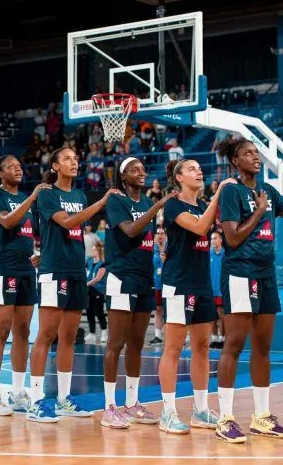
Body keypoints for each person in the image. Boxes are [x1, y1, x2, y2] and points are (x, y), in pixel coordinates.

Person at [214, 138, 283, 444]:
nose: (255, 157)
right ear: (235, 161)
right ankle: (225, 419)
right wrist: (258, 212)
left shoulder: (268, 191)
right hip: (240, 273)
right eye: (247, 153)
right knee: (233, 345)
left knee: (262, 348)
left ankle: (261, 417)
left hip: (266, 274)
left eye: (256, 153)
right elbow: (232, 239)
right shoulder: (231, 191)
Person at [27, 147, 121, 423]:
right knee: (46, 335)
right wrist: (101, 203)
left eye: (75, 159)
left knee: (68, 337)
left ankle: (63, 399)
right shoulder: (47, 194)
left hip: (76, 271)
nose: (74, 162)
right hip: (54, 271)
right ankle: (35, 401)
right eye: (67, 159)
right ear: (55, 166)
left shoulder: (79, 196)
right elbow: (67, 223)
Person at [158, 159, 232, 435]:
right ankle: (168, 413)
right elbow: (201, 228)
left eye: (199, 168)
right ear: (178, 177)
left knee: (202, 346)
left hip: (201, 284)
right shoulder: (173, 205)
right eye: (191, 168)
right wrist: (218, 193)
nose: (198, 171)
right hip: (179, 283)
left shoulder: (202, 205)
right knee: (174, 348)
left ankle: (200, 410)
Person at [100, 156, 170, 429]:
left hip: (143, 277)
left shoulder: (145, 203)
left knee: (137, 344)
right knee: (115, 344)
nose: (141, 172)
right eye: (134, 170)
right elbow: (129, 230)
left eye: (142, 169)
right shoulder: (117, 201)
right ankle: (109, 407)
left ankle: (131, 403)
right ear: (123, 176)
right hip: (121, 276)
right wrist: (156, 207)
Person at [0, 155, 48, 416]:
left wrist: (41, 253)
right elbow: (8, 221)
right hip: (0, 269)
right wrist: (32, 198)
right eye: (11, 166)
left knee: (23, 331)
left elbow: (29, 233)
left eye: (20, 166)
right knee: (1, 331)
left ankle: (18, 392)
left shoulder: (24, 199)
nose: (18, 169)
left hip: (25, 269)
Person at [85, 242, 107, 344]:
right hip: (89, 290)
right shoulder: (89, 262)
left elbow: (98, 278)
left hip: (98, 290)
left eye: (94, 249)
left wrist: (86, 284)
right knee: (89, 311)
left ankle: (104, 332)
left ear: (98, 251)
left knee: (99, 312)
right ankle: (92, 333)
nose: (92, 251)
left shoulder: (102, 264)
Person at [149, 227, 167, 345]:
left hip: (168, 284)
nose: (160, 235)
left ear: (165, 235)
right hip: (156, 284)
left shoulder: (170, 248)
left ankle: (170, 334)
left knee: (169, 310)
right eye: (158, 233)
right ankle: (158, 335)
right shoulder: (151, 250)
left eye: (162, 233)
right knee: (158, 309)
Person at [210, 231, 225, 345]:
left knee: (221, 315)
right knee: (212, 316)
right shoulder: (208, 254)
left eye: (215, 238)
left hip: (221, 290)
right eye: (211, 239)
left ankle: (222, 338)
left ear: (221, 240)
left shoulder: (225, 254)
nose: (213, 241)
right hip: (210, 290)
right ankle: (214, 339)